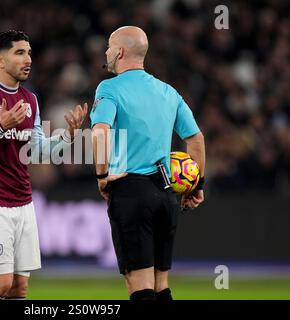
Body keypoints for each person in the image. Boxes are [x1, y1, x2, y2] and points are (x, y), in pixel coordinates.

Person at [0, 30, 87, 300]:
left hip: (22, 200)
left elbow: (35, 151)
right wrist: (0, 125)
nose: (28, 59)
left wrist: (68, 137)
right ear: (0, 61)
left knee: (18, 288)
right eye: (20, 53)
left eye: (29, 53)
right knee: (0, 283)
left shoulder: (30, 100)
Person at [90, 26, 205, 300]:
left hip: (131, 192)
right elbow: (196, 139)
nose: (106, 51)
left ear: (119, 51)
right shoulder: (168, 91)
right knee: (160, 286)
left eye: (108, 45)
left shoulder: (109, 88)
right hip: (166, 196)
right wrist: (196, 184)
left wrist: (102, 175)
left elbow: (99, 132)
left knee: (140, 287)